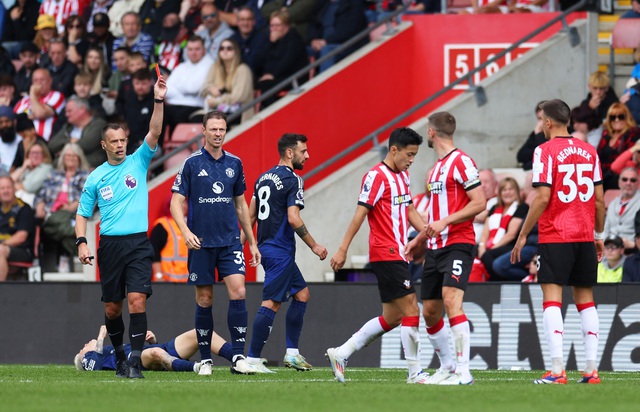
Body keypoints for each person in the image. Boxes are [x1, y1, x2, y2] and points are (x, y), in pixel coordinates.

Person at [74, 74, 167, 379]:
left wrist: (158, 99)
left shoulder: (139, 161)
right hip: (110, 245)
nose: (119, 145)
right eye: (113, 141)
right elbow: (82, 214)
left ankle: (136, 362)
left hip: (139, 243)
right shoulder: (96, 177)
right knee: (113, 308)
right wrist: (82, 243)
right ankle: (118, 358)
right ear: (104, 145)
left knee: (137, 300)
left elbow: (154, 130)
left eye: (123, 140)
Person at [511, 98, 604, 385]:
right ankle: (590, 371)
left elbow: (541, 197)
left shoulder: (544, 150)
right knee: (586, 301)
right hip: (585, 235)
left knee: (552, 300)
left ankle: (557, 370)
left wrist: (524, 233)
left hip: (557, 234)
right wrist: (598, 236)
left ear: (548, 122)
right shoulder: (590, 151)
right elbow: (600, 200)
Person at [326, 127, 429, 385]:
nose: (412, 159)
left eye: (415, 155)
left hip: (398, 252)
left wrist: (431, 230)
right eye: (409, 154)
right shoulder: (375, 176)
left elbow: (410, 211)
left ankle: (342, 352)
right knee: (411, 309)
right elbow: (360, 214)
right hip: (386, 252)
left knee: (393, 317)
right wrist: (343, 248)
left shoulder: (403, 176)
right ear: (393, 150)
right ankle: (415, 373)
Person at [170, 110, 261, 376]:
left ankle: (239, 358)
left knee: (240, 292)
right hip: (201, 244)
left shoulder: (235, 162)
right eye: (213, 129)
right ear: (204, 131)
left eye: (222, 129)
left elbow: (241, 205)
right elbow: (176, 203)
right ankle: (206, 360)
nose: (218, 134)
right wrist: (185, 232)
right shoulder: (191, 163)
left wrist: (252, 242)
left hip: (230, 242)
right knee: (205, 299)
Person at [404, 112, 486, 385]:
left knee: (452, 301)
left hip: (458, 244)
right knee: (429, 311)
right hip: (435, 248)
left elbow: (479, 202)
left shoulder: (462, 162)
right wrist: (419, 239)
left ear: (431, 132)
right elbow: (438, 215)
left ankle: (464, 371)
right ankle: (448, 365)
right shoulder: (437, 168)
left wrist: (445, 222)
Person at [245, 133, 327, 373]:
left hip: (268, 248)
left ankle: (292, 353)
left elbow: (250, 217)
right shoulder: (293, 179)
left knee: (302, 294)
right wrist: (314, 245)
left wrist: (244, 245)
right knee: (271, 303)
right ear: (290, 153)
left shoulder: (262, 178)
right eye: (303, 151)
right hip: (279, 250)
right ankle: (252, 359)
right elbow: (293, 218)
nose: (308, 156)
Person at [74, 325, 243, 373]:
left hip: (156, 348)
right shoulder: (89, 358)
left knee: (201, 333)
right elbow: (93, 368)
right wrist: (101, 337)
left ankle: (238, 360)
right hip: (139, 361)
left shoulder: (107, 350)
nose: (84, 346)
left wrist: (152, 341)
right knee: (154, 354)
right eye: (82, 349)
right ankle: (197, 367)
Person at [34, 143, 89, 266]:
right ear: (63, 158)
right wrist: (39, 205)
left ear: (79, 159)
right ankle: (77, 242)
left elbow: (88, 197)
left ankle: (72, 245)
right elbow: (40, 194)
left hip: (71, 215)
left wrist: (72, 207)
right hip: (51, 212)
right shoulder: (54, 174)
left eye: (74, 156)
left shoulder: (85, 176)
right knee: (61, 227)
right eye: (68, 155)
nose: (71, 158)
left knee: (60, 225)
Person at [473, 177, 528, 281]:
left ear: (517, 191)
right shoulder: (494, 207)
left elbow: (511, 234)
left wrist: (492, 248)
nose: (507, 193)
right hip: (492, 245)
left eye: (511, 189)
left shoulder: (522, 207)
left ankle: (495, 282)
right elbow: (486, 231)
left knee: (488, 255)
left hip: (511, 246)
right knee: (473, 250)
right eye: (504, 190)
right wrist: (481, 246)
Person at [256, 10, 309, 109]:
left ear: (286, 26)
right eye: (272, 26)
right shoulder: (271, 40)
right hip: (276, 76)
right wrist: (270, 43)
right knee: (255, 81)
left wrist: (272, 75)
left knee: (266, 85)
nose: (274, 29)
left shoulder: (294, 39)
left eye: (278, 25)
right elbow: (260, 60)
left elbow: (287, 61)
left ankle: (270, 112)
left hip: (292, 76)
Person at [164, 35, 214, 133]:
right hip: (177, 106)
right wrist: (184, 91)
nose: (193, 53)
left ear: (204, 50)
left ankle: (177, 147)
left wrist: (178, 86)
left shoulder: (210, 64)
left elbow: (193, 88)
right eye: (190, 49)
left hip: (197, 107)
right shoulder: (182, 66)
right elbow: (167, 90)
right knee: (158, 111)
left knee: (175, 114)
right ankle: (157, 146)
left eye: (197, 49)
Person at [202, 38, 255, 124]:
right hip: (216, 109)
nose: (225, 51)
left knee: (214, 122)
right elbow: (204, 88)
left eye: (229, 48)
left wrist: (217, 101)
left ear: (236, 51)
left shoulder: (243, 69)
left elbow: (239, 97)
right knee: (195, 118)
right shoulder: (215, 66)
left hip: (239, 112)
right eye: (222, 48)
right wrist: (210, 89)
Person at [307, 0, 368, 73]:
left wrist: (326, 41)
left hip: (347, 44)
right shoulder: (322, 3)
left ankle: (326, 81)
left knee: (327, 50)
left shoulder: (354, 3)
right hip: (323, 43)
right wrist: (313, 40)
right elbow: (313, 23)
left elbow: (350, 29)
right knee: (304, 50)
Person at [49, 96, 109, 169]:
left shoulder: (99, 124)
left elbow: (86, 145)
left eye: (69, 111)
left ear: (82, 109)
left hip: (91, 168)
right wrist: (70, 140)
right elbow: (52, 145)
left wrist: (64, 151)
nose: (66, 115)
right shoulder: (67, 127)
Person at [13, 68, 66, 142]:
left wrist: (32, 94)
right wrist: (29, 114)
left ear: (50, 81)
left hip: (44, 143)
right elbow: (14, 120)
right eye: (36, 80)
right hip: (22, 142)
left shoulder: (56, 96)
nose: (39, 83)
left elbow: (39, 114)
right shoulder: (23, 101)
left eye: (42, 80)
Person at [0, 175, 36, 282]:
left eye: (8, 187)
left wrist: (3, 244)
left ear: (14, 189)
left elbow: (21, 237)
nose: (5, 191)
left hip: (22, 250)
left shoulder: (24, 208)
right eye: (2, 188)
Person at [597, 103, 640, 190]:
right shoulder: (606, 134)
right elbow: (598, 157)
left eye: (621, 116)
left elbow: (631, 160)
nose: (617, 120)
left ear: (627, 118)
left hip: (622, 173)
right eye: (613, 117)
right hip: (603, 174)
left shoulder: (633, 133)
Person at [150, 195, 189, 283]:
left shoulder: (191, 226)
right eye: (179, 203)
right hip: (166, 280)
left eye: (184, 203)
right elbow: (154, 251)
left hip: (187, 281)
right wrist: (158, 275)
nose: (182, 206)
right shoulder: (162, 225)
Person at [603, 167, 640, 251]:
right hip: (610, 251)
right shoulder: (613, 204)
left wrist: (633, 245)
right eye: (624, 179)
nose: (628, 183)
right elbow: (606, 230)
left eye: (633, 180)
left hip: (633, 252)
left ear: (638, 183)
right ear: (619, 182)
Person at [10, 140, 54, 206]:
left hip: (32, 203)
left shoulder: (46, 168)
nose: (35, 156)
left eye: (38, 153)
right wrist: (23, 168)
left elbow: (28, 187)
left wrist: (11, 186)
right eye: (32, 153)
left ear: (44, 155)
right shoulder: (24, 167)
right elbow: (6, 182)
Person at [230, 6, 269, 76]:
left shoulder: (262, 39)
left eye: (248, 19)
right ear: (237, 22)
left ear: (254, 21)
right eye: (242, 20)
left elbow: (252, 65)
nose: (245, 23)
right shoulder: (232, 39)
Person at [516, 101, 546, 170]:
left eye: (543, 118)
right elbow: (521, 156)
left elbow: (547, 152)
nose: (541, 122)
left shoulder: (558, 133)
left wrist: (538, 134)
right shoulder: (536, 134)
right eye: (539, 119)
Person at [0, 106, 21, 174]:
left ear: (14, 122)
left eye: (7, 121)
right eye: (1, 122)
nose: (4, 125)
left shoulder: (21, 141)